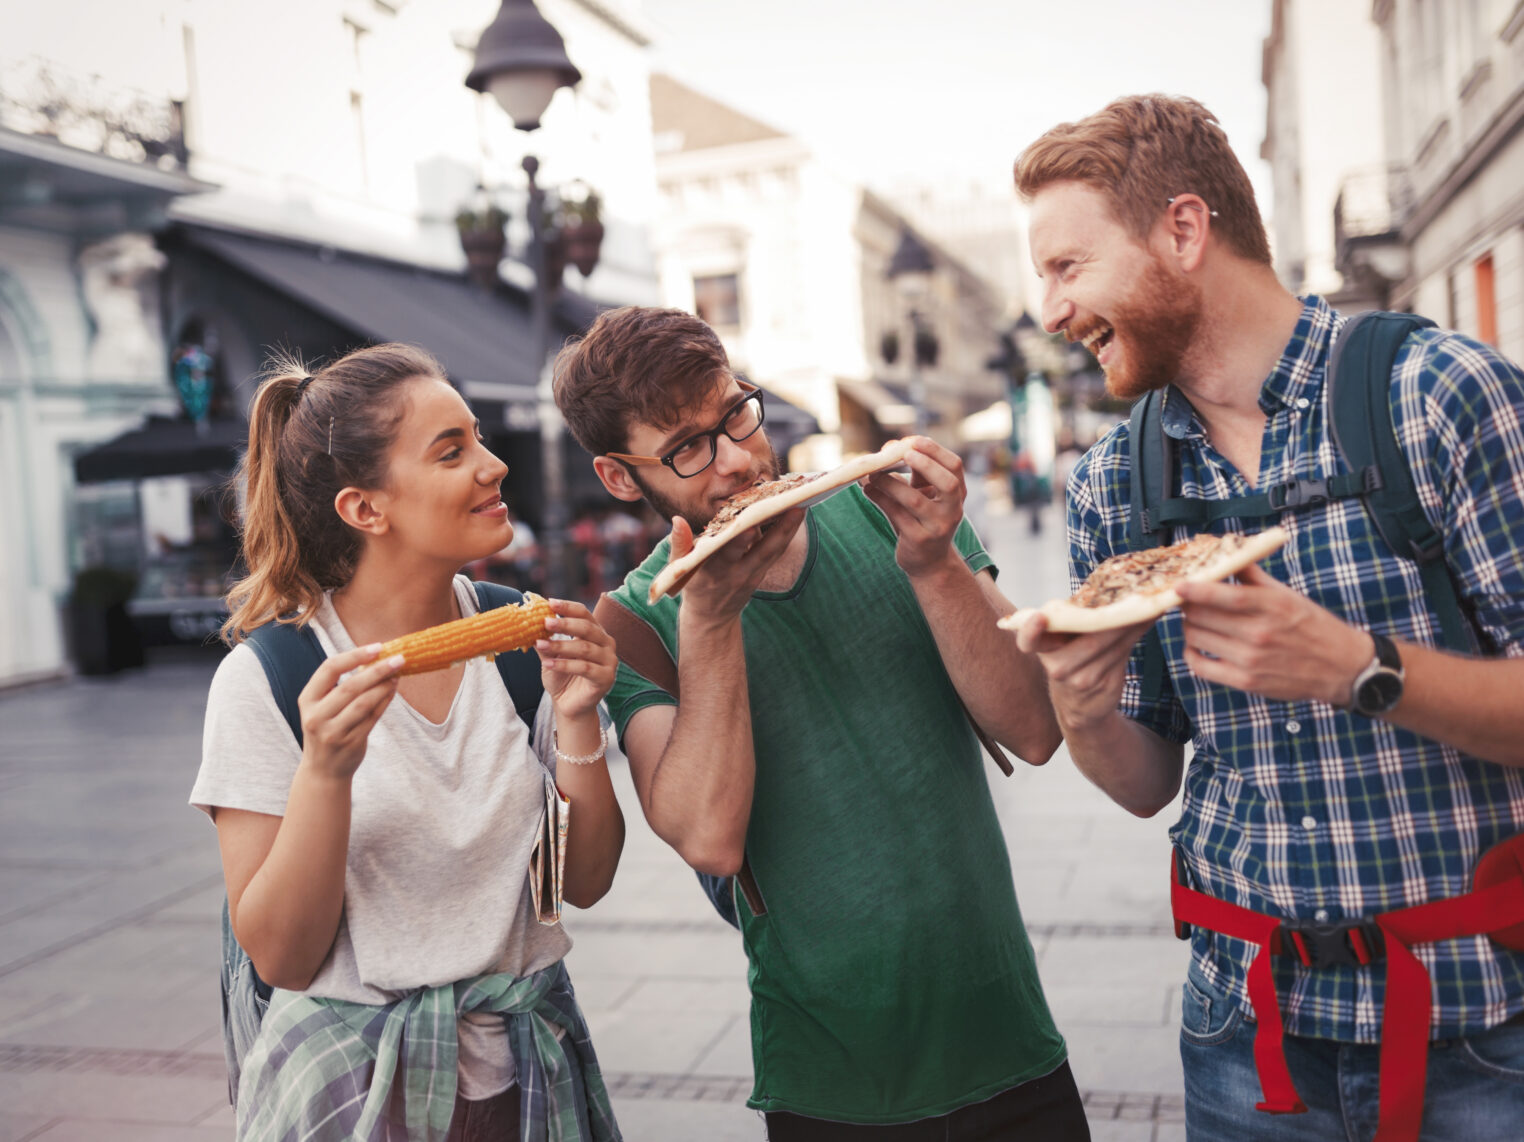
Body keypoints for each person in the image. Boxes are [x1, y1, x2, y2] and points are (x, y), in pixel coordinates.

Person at [1011, 94, 1524, 1141]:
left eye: (1069, 267)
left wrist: (1359, 667)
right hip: (1248, 1037)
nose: (1052, 312)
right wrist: (1085, 707)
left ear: (1184, 231)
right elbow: (1149, 781)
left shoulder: (1441, 396)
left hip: (1480, 1021)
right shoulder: (1117, 479)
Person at [553, 306, 1088, 1140]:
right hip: (831, 1081)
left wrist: (935, 561)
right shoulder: (634, 624)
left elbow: (1036, 728)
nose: (736, 459)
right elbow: (708, 838)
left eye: (736, 414)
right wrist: (712, 622)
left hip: (1010, 1036)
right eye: (688, 448)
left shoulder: (879, 510)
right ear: (622, 478)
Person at [189, 343, 624, 1141]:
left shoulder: (521, 650)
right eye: (452, 451)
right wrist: (325, 772)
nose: (493, 467)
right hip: (353, 1093)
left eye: (479, 440)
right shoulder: (270, 681)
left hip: (527, 1073)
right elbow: (283, 957)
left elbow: (578, 884)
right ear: (365, 508)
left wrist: (577, 717)